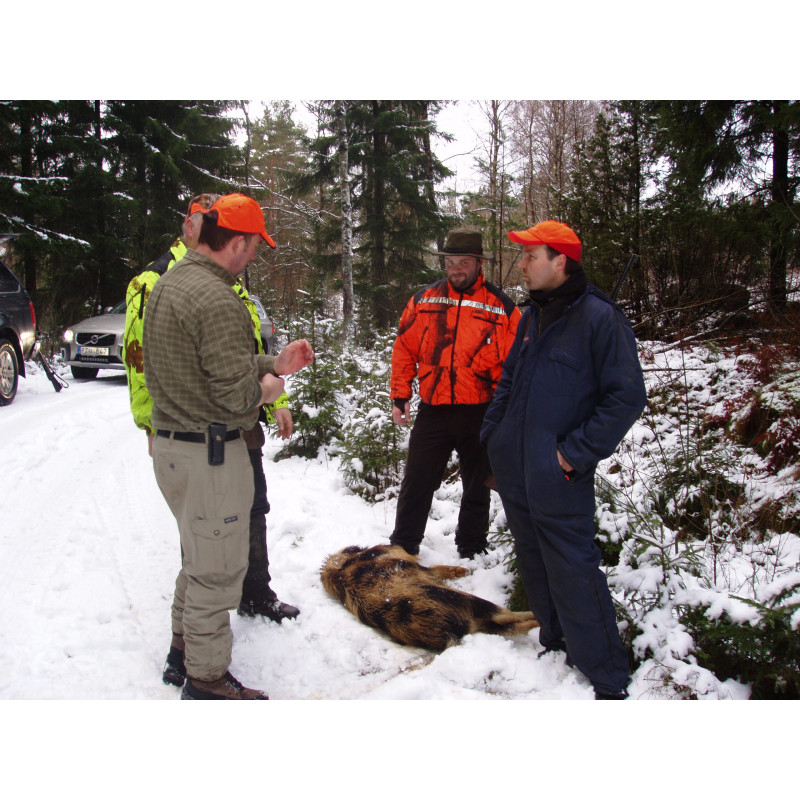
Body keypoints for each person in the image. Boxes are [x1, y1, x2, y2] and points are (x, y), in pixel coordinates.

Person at [123, 194, 299, 692]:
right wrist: (272, 388)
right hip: (210, 457)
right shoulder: (218, 298)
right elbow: (235, 399)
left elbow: (202, 365)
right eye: (255, 247)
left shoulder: (171, 281)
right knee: (216, 574)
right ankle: (206, 681)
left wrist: (273, 363)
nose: (255, 257)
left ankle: (182, 651)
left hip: (177, 448)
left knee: (196, 561)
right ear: (238, 242)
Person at [480, 220, 647, 699]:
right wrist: (495, 434)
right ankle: (555, 642)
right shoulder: (532, 316)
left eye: (532, 255)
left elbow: (626, 398)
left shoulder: (599, 318)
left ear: (561, 262)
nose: (523, 264)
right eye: (523, 255)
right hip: (516, 469)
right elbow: (510, 379)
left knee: (574, 567)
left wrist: (571, 456)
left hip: (558, 473)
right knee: (534, 560)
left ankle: (608, 676)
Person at [389, 228, 521, 559]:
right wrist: (400, 395)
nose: (456, 269)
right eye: (450, 262)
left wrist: (510, 413)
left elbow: (516, 366)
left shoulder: (502, 308)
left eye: (463, 262)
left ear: (479, 263)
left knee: (477, 486)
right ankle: (404, 545)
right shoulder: (423, 301)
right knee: (417, 480)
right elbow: (404, 348)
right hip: (433, 409)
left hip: (481, 411)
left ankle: (472, 547)